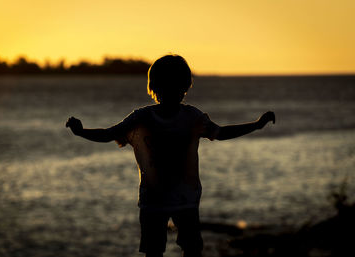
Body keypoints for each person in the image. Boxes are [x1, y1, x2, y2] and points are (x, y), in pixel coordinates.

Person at [66, 54, 275, 257]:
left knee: (192, 249)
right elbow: (109, 134)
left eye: (178, 85)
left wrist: (256, 125)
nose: (174, 91)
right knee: (155, 250)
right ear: (155, 87)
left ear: (184, 88)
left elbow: (220, 133)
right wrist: (82, 131)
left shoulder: (192, 116)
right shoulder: (142, 118)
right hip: (153, 201)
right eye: (168, 85)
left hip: (186, 199)